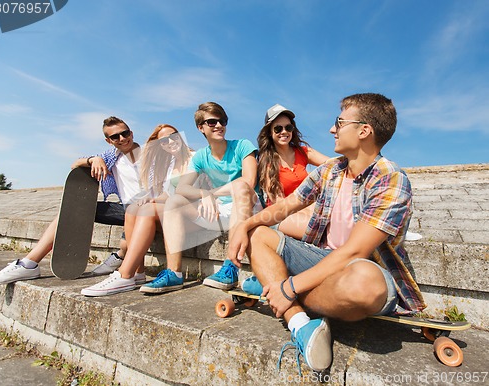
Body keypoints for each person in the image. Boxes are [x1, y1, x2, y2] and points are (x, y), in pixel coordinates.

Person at [227, 93, 426, 373]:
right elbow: (287, 205)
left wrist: (288, 287)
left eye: (339, 122)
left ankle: (272, 284)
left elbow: (355, 252)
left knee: (364, 285)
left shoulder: (391, 178)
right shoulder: (330, 170)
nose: (332, 129)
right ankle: (298, 322)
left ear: (363, 130)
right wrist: (244, 225)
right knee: (259, 234)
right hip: (322, 260)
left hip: (361, 269)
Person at [0, 116, 143, 287]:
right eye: (115, 137)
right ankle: (28, 264)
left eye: (125, 133)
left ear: (131, 132)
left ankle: (119, 256)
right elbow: (75, 164)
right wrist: (93, 159)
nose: (122, 138)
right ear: (108, 141)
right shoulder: (112, 156)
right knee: (72, 209)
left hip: (147, 210)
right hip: (124, 209)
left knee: (131, 224)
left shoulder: (148, 153)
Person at [144, 101, 262, 293]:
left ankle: (231, 267)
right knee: (174, 201)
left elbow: (248, 182)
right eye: (212, 122)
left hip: (247, 207)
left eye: (222, 120)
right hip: (219, 211)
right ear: (201, 128)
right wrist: (203, 194)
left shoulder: (242, 146)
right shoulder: (200, 157)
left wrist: (211, 193)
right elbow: (182, 188)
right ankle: (174, 273)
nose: (219, 125)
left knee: (240, 185)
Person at [81, 124, 194, 296]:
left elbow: (189, 193)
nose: (170, 141)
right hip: (173, 209)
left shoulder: (194, 157)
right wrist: (153, 198)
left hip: (192, 211)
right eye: (164, 140)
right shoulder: (170, 165)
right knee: (134, 208)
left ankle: (124, 274)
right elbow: (168, 193)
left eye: (174, 136)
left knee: (147, 209)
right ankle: (137, 273)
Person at [241, 103, 329, 294]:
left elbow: (332, 164)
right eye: (278, 128)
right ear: (270, 132)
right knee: (322, 227)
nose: (284, 132)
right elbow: (279, 204)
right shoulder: (265, 160)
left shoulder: (303, 151)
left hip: (307, 210)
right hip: (281, 217)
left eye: (288, 127)